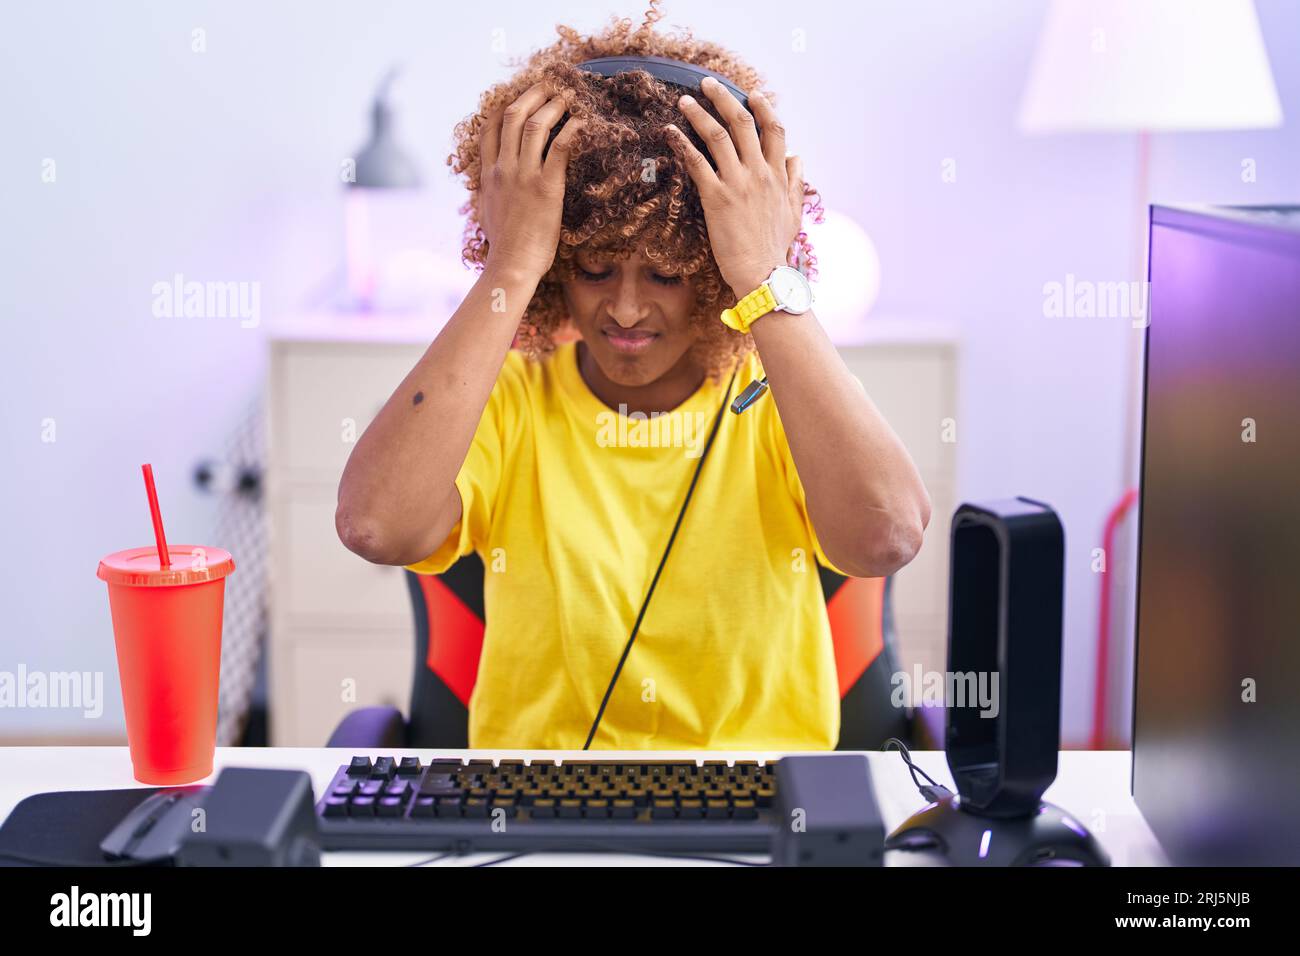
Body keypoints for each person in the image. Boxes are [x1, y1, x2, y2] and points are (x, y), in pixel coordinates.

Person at [336, 3, 931, 750]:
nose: (624, 308)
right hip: (538, 806)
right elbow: (375, 524)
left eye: (668, 273)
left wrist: (764, 273)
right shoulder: (514, 399)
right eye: (591, 267)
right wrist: (511, 262)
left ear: (712, 270)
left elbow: (888, 536)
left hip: (763, 804)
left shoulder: (780, 393)